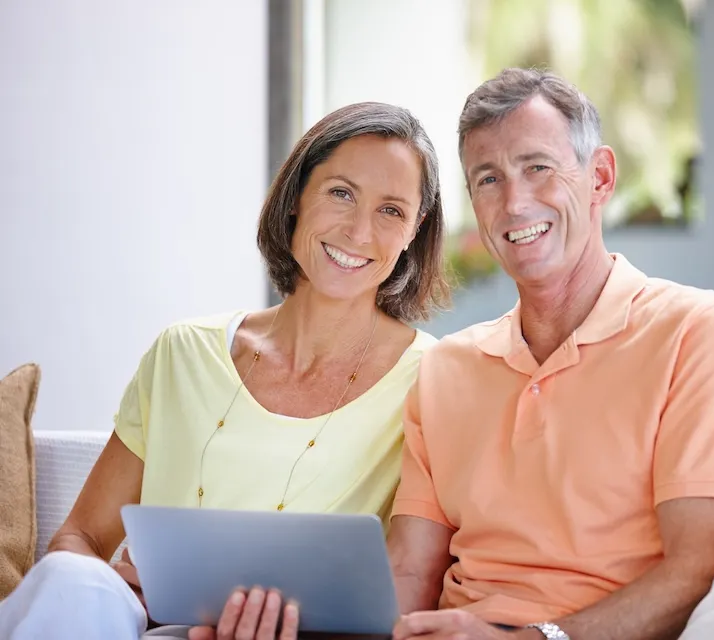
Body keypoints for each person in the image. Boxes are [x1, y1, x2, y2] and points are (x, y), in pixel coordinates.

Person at [216, 68, 714, 640]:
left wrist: (537, 639)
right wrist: (277, 620)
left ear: (599, 177)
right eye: (488, 179)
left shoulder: (697, 334)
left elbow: (701, 568)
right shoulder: (447, 369)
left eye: (538, 168)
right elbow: (408, 572)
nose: (514, 202)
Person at [0, 101, 450, 640]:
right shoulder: (183, 353)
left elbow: (413, 581)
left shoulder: (434, 378)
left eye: (391, 210)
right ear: (296, 199)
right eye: (341, 193)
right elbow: (79, 538)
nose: (358, 230)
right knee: (73, 580)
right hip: (149, 631)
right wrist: (120, 590)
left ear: (414, 231)